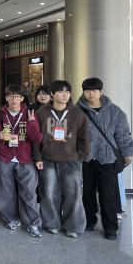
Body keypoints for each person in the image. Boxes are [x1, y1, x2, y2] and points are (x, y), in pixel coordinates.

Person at [75, 77, 133, 240]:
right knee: (86, 192)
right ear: (83, 92)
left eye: (94, 90)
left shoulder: (114, 111)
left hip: (107, 157)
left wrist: (127, 151)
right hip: (85, 157)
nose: (91, 93)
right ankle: (89, 221)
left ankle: (110, 227)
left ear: (101, 91)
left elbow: (122, 133)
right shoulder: (76, 111)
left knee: (107, 193)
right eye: (87, 90)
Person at [32, 80, 90, 238]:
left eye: (67, 92)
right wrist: (37, 157)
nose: (65, 95)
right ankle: (52, 223)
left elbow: (84, 137)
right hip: (47, 159)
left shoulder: (77, 114)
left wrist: (81, 155)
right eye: (60, 92)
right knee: (49, 193)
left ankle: (73, 226)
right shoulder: (41, 113)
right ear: (52, 94)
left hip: (72, 160)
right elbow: (36, 139)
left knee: (74, 194)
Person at [0, 85, 44, 237]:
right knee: (5, 191)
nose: (14, 99)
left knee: (29, 192)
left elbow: (36, 139)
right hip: (5, 157)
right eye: (10, 96)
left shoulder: (29, 113)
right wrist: (0, 138)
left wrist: (32, 124)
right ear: (6, 98)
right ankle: (12, 218)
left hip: (25, 158)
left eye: (17, 96)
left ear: (22, 98)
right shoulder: (0, 115)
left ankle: (33, 223)